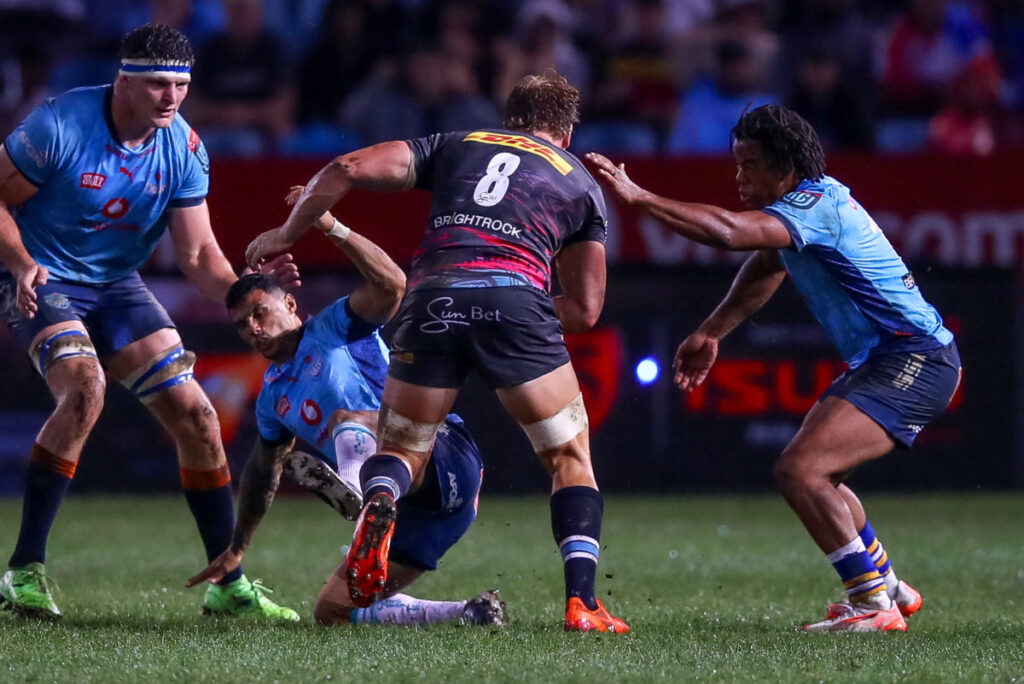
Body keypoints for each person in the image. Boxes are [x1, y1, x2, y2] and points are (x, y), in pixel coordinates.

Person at [244, 72, 629, 633]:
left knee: (402, 449)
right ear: (566, 133)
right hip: (515, 298)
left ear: (509, 119)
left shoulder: (457, 143)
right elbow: (585, 309)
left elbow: (347, 167)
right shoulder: (580, 182)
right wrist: (509, 314)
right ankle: (582, 604)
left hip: (430, 298)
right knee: (569, 459)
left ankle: (377, 497)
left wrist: (287, 232)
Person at [588, 105, 961, 633]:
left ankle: (872, 604)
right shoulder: (806, 207)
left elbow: (727, 233)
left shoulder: (814, 205)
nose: (739, 177)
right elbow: (767, 264)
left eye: (750, 165)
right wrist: (711, 332)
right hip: (891, 358)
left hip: (914, 357)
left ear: (785, 167)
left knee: (801, 471)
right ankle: (890, 588)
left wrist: (641, 198)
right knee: (821, 478)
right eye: (737, 164)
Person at [0, 23, 298, 621]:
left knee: (199, 415)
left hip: (117, 286)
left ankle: (228, 584)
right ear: (125, 80)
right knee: (86, 388)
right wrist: (21, 263)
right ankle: (23, 571)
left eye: (182, 85)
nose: (172, 97)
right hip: (43, 278)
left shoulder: (183, 147)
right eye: (159, 83)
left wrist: (248, 294)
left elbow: (199, 254)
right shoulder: (59, 125)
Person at [186, 193, 506, 627]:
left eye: (260, 313)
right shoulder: (271, 399)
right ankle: (470, 614)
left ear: (290, 305)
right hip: (425, 514)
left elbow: (392, 285)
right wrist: (237, 547)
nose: (254, 329)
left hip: (440, 452)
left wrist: (331, 226)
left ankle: (360, 490)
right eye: (243, 324)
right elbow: (263, 471)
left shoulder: (335, 326)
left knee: (347, 420)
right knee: (334, 611)